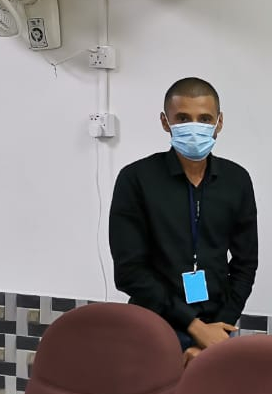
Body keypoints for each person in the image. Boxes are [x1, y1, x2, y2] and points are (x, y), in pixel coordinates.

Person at [109, 77, 259, 363]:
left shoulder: (237, 180)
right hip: (153, 326)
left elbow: (246, 264)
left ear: (219, 122)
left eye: (204, 118)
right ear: (165, 122)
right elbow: (129, 270)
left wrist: (218, 331)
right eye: (182, 118)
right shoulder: (136, 179)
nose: (194, 126)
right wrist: (195, 327)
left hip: (218, 328)